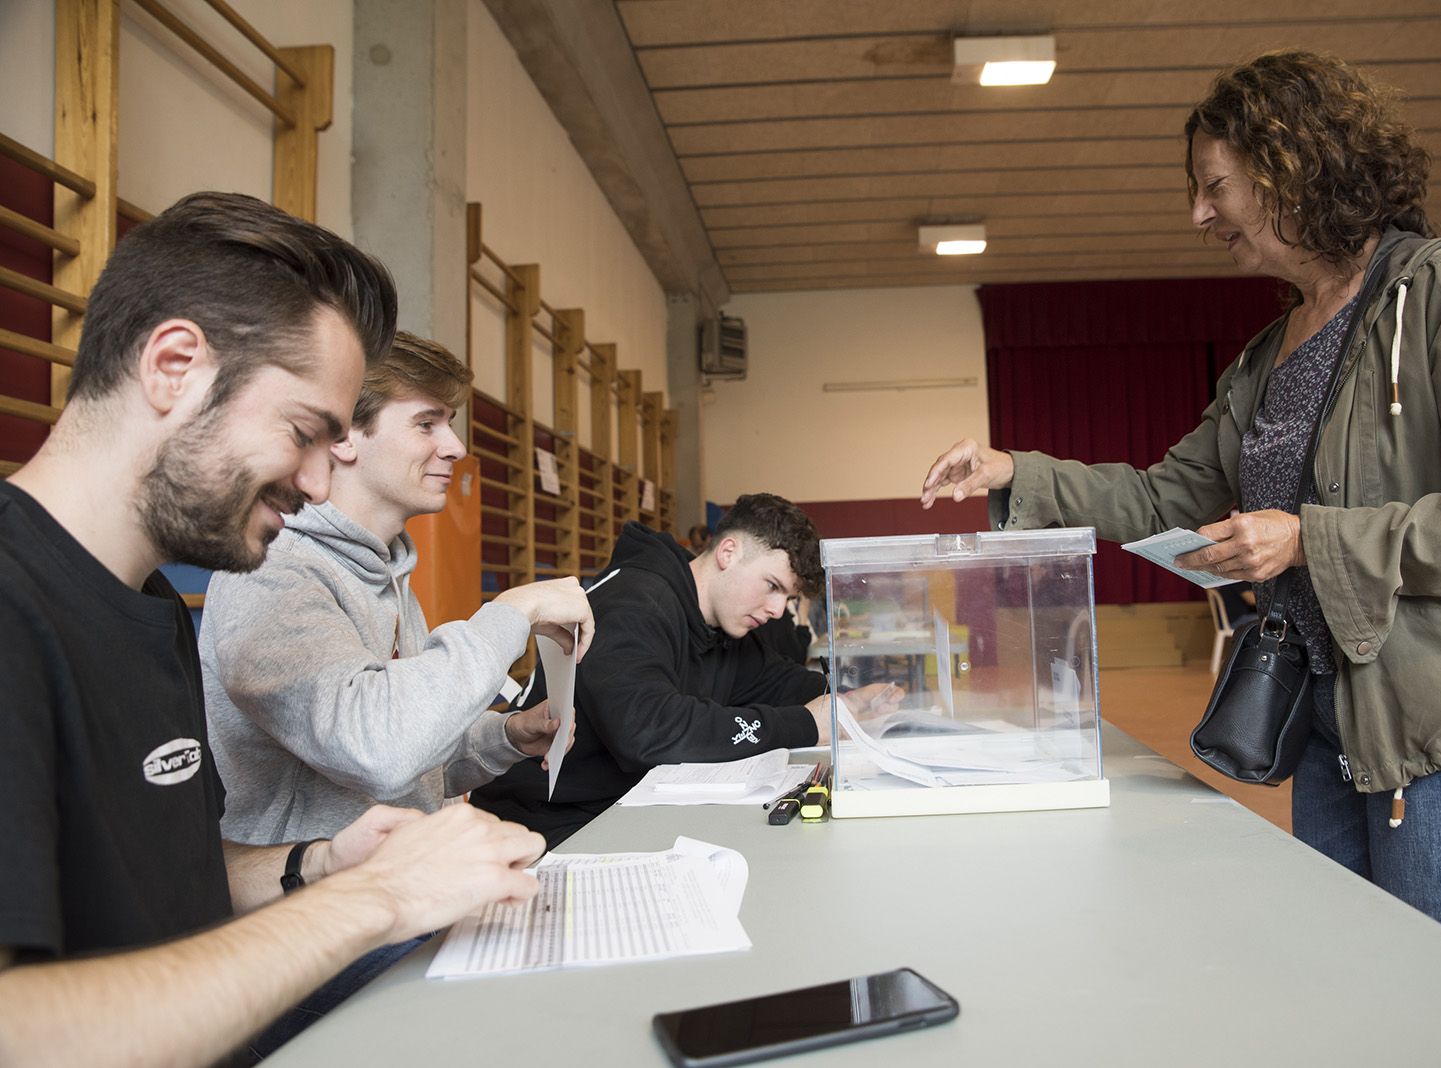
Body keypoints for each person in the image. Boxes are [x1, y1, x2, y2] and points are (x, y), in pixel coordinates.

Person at [919, 50, 1441, 999]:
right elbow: (1167, 500)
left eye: (1215, 187)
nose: (1199, 214)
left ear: (1293, 164)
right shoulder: (1267, 354)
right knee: (1367, 1015)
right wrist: (1015, 470)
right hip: (1338, 735)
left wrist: (1312, 541)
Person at [0, 192, 547, 1067]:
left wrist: (324, 862)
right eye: (304, 433)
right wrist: (377, 900)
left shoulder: (151, 613)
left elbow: (172, 882)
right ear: (174, 366)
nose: (321, 486)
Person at [200, 331, 594, 847]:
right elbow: (377, 750)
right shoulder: (271, 573)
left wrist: (505, 737)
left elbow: (414, 757)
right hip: (315, 912)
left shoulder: (387, 572)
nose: (456, 448)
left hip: (402, 895)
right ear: (343, 436)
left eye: (448, 424)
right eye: (426, 424)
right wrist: (512, 611)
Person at [473, 493, 894, 844]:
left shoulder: (721, 626)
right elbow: (649, 730)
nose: (777, 609)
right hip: (543, 826)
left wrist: (845, 695)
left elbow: (776, 681)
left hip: (620, 813)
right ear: (729, 552)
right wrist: (806, 724)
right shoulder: (633, 603)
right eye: (772, 587)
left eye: (787, 597)